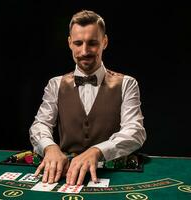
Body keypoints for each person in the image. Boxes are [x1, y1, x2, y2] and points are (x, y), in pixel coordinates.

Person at [29, 10, 146, 186]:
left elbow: (135, 131)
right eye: (78, 43)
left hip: (112, 173)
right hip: (64, 173)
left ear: (104, 42)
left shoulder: (127, 83)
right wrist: (49, 147)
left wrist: (97, 150)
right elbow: (40, 124)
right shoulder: (55, 84)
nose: (84, 51)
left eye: (92, 43)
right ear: (69, 43)